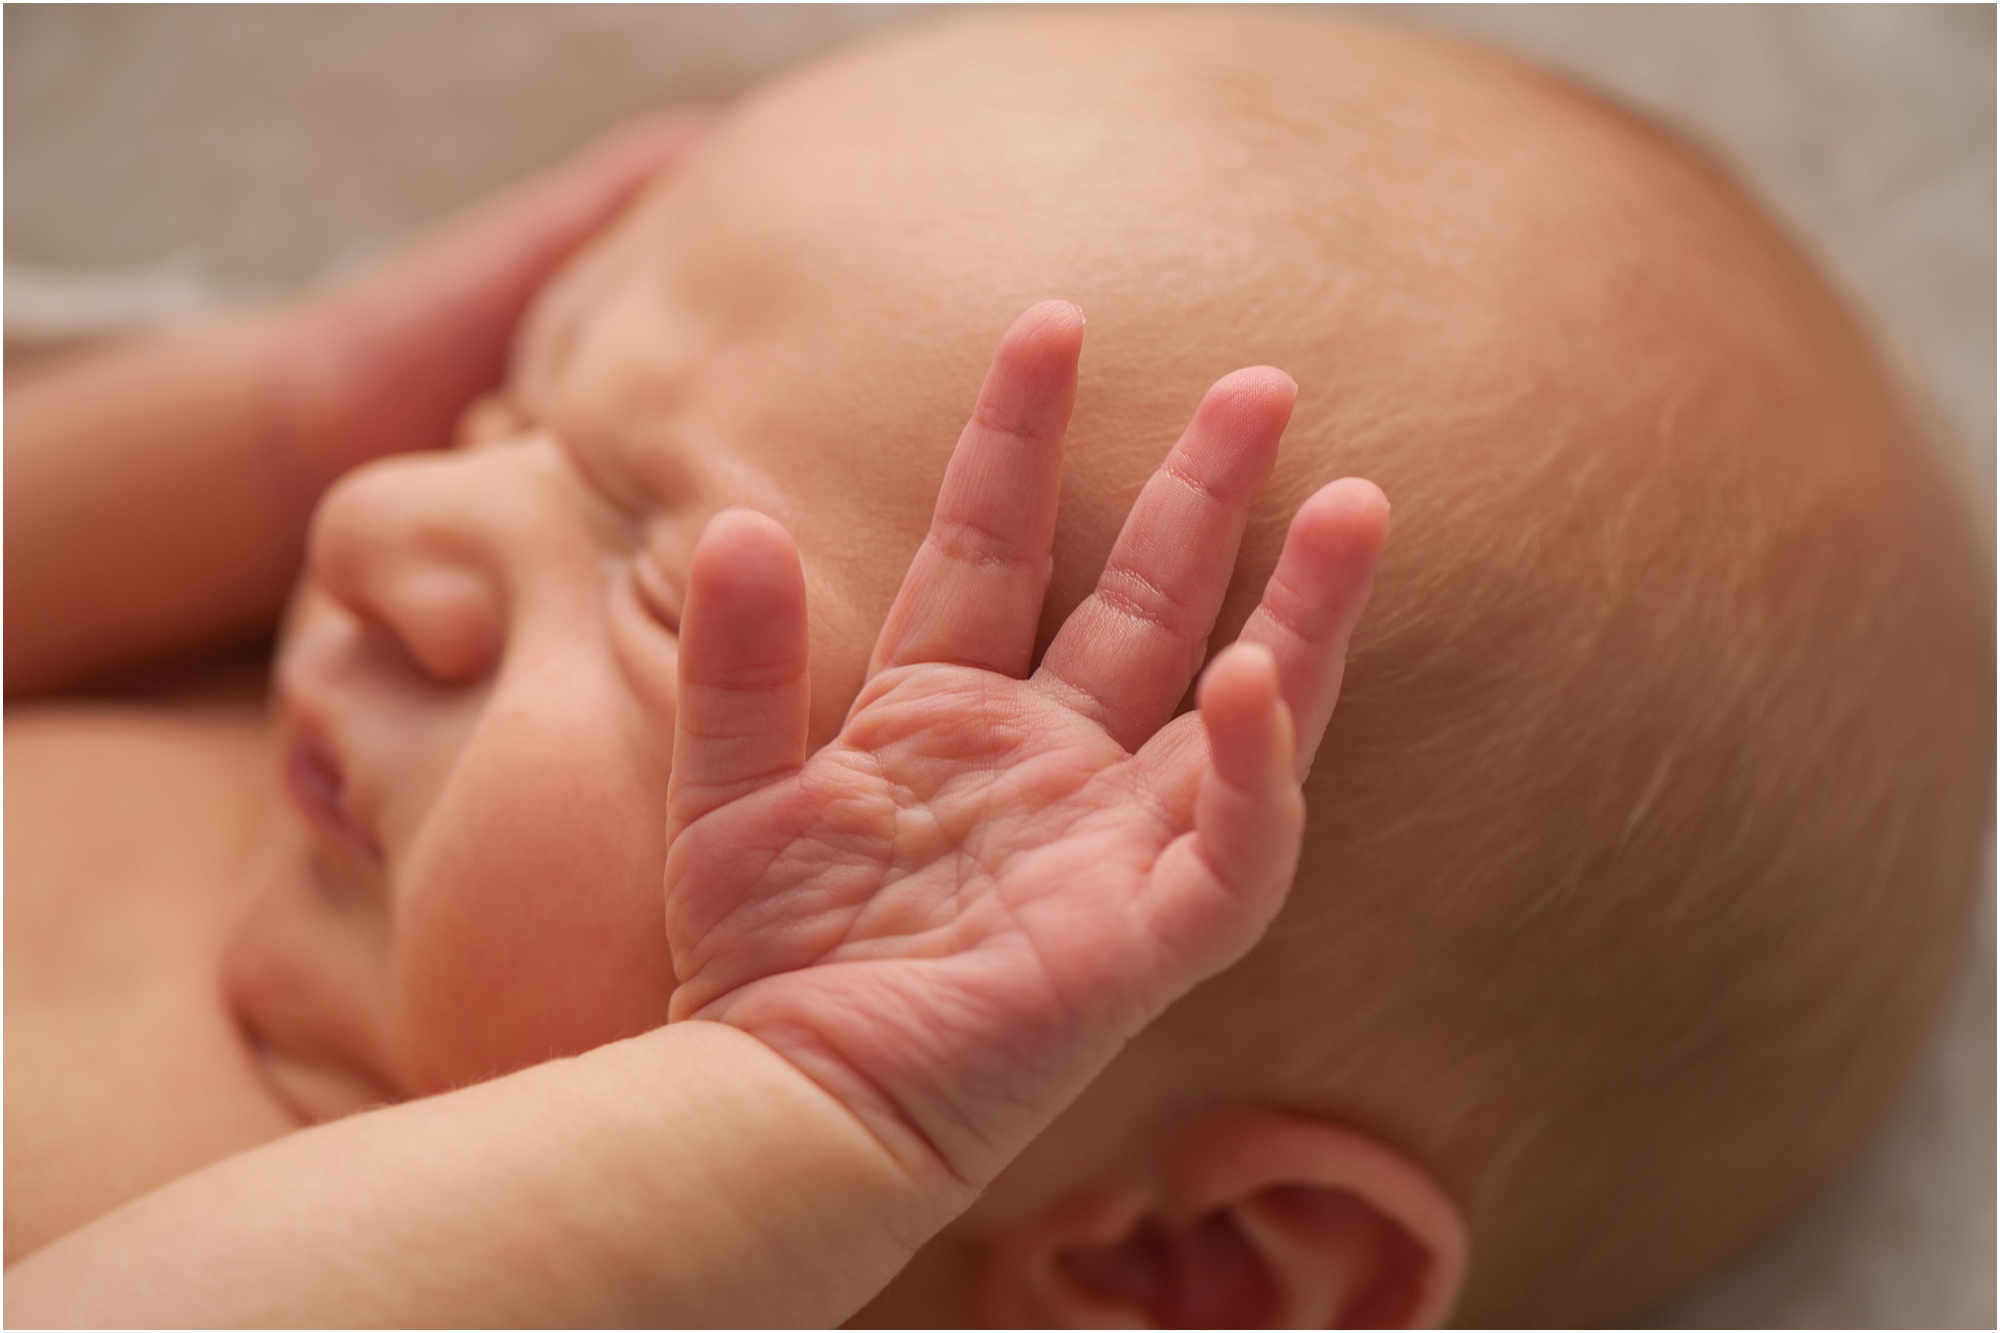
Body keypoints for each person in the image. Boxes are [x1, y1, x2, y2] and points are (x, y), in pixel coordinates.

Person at [6, 10, 1989, 1327]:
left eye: (673, 608)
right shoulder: (289, 731)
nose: (384, 531)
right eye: (524, 402)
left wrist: (807, 1112)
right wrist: (256, 425)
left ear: (1180, 1270)